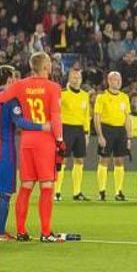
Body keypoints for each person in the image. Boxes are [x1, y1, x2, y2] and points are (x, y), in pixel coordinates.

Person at [0, 51, 78, 242]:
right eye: (49, 63)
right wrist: (59, 140)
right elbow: (55, 116)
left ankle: (21, 231)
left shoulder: (20, 85)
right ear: (44, 67)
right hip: (45, 142)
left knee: (26, 186)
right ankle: (45, 232)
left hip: (26, 142)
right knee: (47, 186)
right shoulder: (53, 87)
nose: (51, 66)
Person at [0, 65, 48, 239]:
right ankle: (0, 232)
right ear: (9, 81)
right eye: (14, 78)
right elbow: (20, 122)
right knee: (5, 193)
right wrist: (42, 126)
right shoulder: (10, 99)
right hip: (3, 152)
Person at [93, 70, 131, 201]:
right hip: (106, 129)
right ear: (109, 81)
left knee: (119, 161)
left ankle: (118, 191)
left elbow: (127, 118)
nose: (118, 82)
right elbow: (96, 117)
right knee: (104, 160)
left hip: (120, 131)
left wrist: (129, 137)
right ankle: (102, 190)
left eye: (119, 79)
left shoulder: (124, 97)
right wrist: (100, 135)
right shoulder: (102, 97)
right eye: (115, 79)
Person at [57, 65, 91, 202]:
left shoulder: (85, 95)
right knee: (62, 160)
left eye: (78, 78)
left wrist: (87, 132)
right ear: (69, 79)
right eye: (74, 77)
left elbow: (86, 114)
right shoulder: (62, 93)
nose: (76, 80)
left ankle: (77, 192)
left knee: (79, 160)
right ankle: (57, 191)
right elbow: (56, 113)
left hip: (79, 130)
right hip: (66, 128)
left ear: (81, 79)